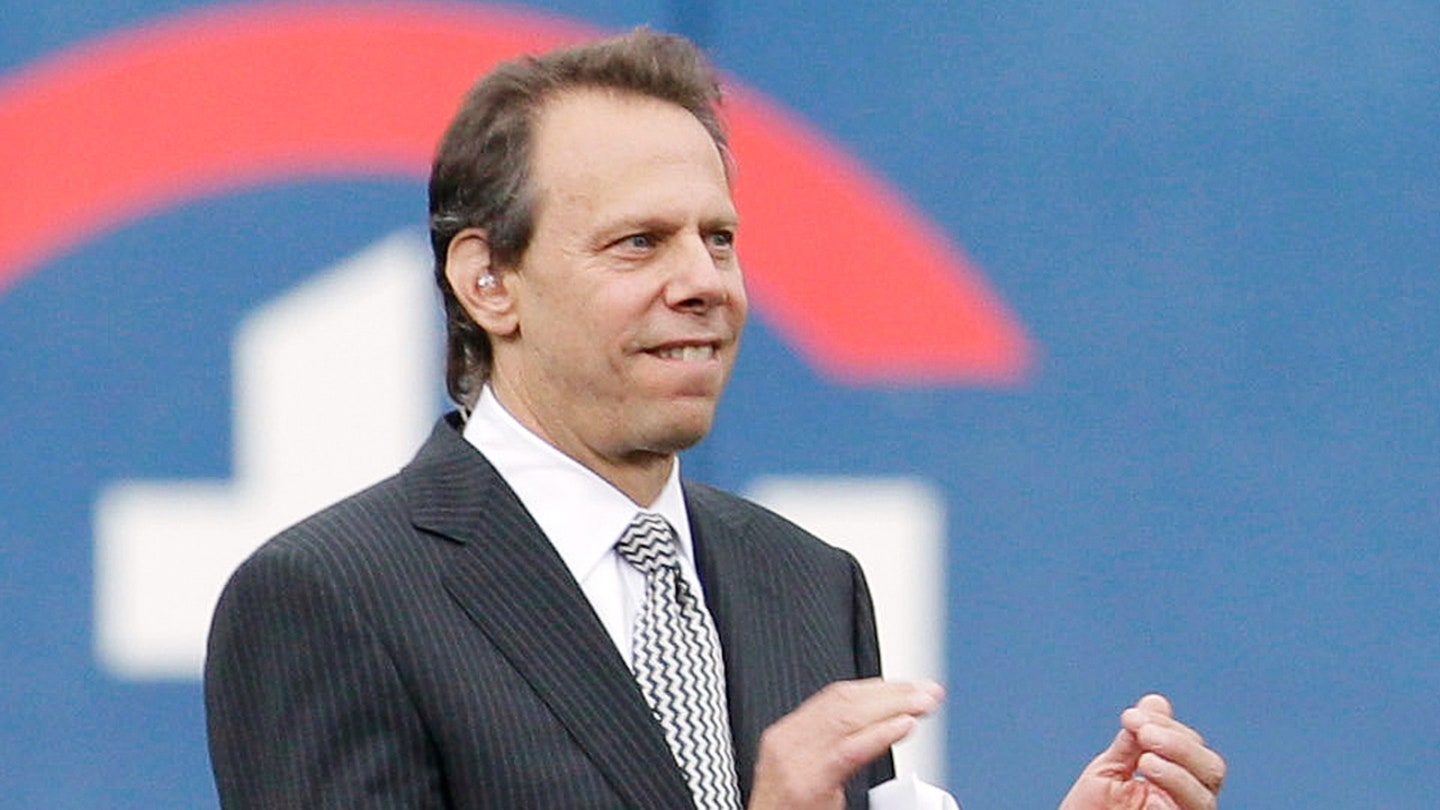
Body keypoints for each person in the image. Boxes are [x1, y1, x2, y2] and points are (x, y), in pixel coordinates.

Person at [204, 28, 1225, 810]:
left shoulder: (807, 583)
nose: (706, 282)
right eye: (639, 243)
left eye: (719, 238)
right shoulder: (329, 598)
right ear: (488, 282)